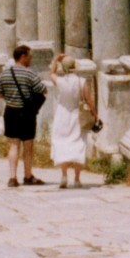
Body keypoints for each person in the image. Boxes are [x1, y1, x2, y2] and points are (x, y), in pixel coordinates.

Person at [0, 44, 47, 188]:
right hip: (26, 113)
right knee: (28, 145)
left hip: (10, 112)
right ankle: (28, 175)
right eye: (29, 56)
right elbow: (44, 90)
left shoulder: (4, 74)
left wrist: (11, 97)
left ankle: (12, 177)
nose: (30, 59)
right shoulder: (29, 73)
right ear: (23, 56)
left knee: (13, 145)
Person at [47, 54, 96, 189]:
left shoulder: (60, 81)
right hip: (76, 115)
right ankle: (77, 178)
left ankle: (63, 176)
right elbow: (88, 100)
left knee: (62, 143)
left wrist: (56, 59)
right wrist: (95, 114)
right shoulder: (82, 81)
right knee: (78, 144)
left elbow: (51, 73)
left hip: (62, 115)